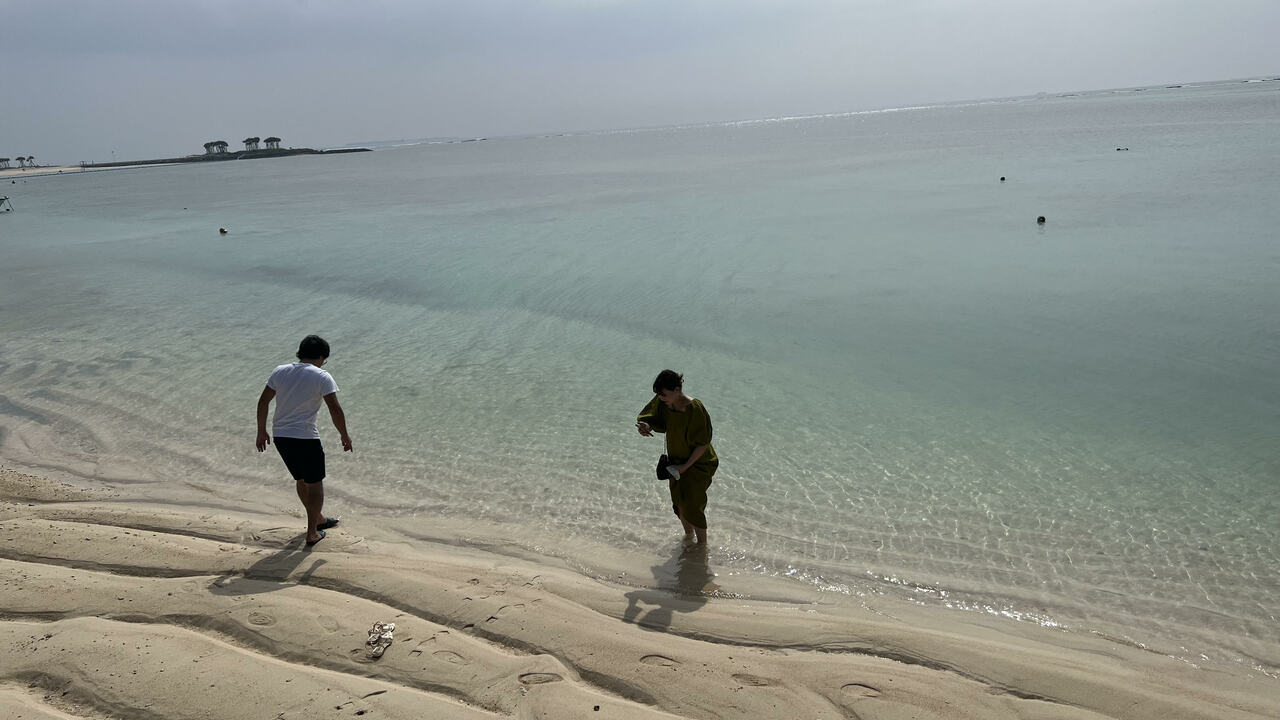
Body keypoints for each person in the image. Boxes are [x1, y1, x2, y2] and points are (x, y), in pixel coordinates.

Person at [255, 335, 352, 546]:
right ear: (320, 356)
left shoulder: (280, 371)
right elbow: (335, 408)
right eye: (323, 360)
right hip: (306, 437)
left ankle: (318, 519)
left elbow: (263, 402)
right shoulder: (322, 376)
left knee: (301, 479)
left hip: (281, 436)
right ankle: (312, 533)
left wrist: (261, 432)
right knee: (315, 483)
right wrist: (344, 434)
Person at [636, 370, 719, 546]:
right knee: (679, 503)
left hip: (699, 463)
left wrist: (685, 467)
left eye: (664, 394)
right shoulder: (663, 402)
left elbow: (703, 444)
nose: (660, 398)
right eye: (658, 395)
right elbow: (653, 419)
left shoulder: (695, 409)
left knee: (693, 504)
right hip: (676, 461)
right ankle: (688, 540)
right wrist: (646, 425)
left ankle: (702, 546)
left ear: (677, 389)